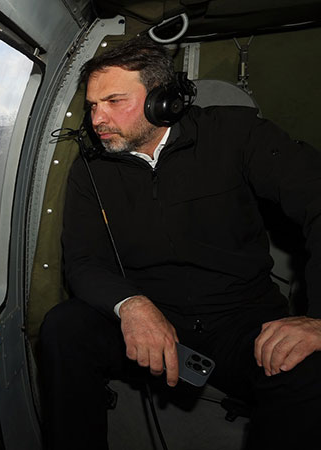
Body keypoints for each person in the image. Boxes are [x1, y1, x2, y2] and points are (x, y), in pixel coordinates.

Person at [40, 35, 321, 450]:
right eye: (93, 106)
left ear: (163, 100)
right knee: (64, 329)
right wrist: (131, 305)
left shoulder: (236, 134)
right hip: (151, 319)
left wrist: (319, 321)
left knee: (308, 371)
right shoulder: (91, 170)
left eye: (114, 102)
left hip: (240, 321)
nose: (98, 119)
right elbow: (82, 262)